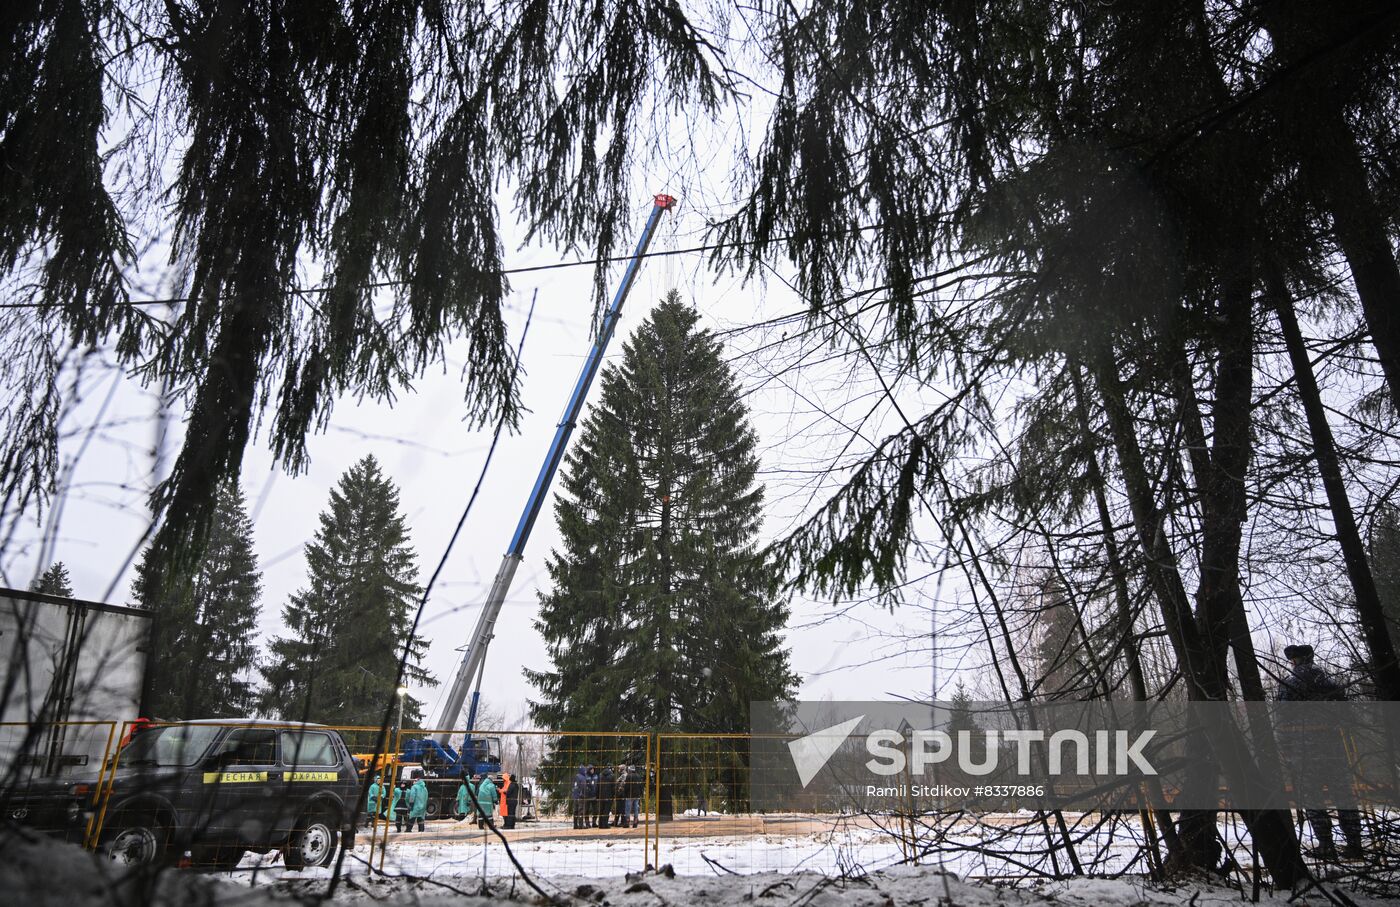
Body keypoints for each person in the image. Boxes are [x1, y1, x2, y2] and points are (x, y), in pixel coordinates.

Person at [1275, 643, 1364, 860]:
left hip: (1304, 750)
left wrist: (1285, 748)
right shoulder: (1331, 683)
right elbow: (1348, 717)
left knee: (1312, 797)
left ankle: (1326, 845)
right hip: (1334, 748)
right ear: (1311, 658)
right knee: (1344, 796)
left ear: (1293, 660)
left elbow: (1283, 719)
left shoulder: (1289, 685)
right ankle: (1354, 844)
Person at [622, 764, 642, 829]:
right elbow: (640, 786)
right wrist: (640, 794)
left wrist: (624, 793)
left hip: (629, 795)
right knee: (636, 808)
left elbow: (626, 787)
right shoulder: (638, 776)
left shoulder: (628, 776)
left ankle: (627, 822)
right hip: (637, 795)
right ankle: (635, 822)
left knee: (628, 809)